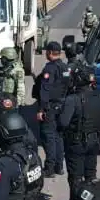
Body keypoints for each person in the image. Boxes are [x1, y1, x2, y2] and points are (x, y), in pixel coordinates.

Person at [56, 62, 100, 200]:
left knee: (76, 178)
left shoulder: (73, 99)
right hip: (95, 141)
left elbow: (63, 123)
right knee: (91, 176)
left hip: (76, 143)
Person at [34, 40, 70, 178]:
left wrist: (41, 110)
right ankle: (59, 166)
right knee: (59, 137)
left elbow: (45, 90)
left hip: (50, 107)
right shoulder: (65, 68)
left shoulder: (50, 68)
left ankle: (49, 168)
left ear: (49, 53)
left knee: (48, 136)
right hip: (62, 105)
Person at [0, 46, 25, 112]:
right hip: (2, 98)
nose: (1, 60)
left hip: (11, 101)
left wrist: (19, 104)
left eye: (3, 58)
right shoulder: (5, 68)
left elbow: (21, 88)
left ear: (8, 58)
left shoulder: (17, 70)